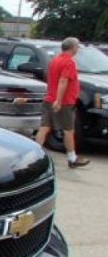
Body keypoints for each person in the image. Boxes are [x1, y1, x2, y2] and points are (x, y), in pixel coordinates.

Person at [35, 37, 90, 168]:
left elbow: (50, 78)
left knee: (44, 128)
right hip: (64, 102)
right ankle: (72, 158)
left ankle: (34, 155)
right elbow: (63, 81)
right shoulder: (69, 62)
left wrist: (54, 98)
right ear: (73, 48)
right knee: (68, 130)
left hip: (49, 98)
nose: (78, 49)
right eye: (77, 47)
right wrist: (59, 101)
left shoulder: (55, 61)